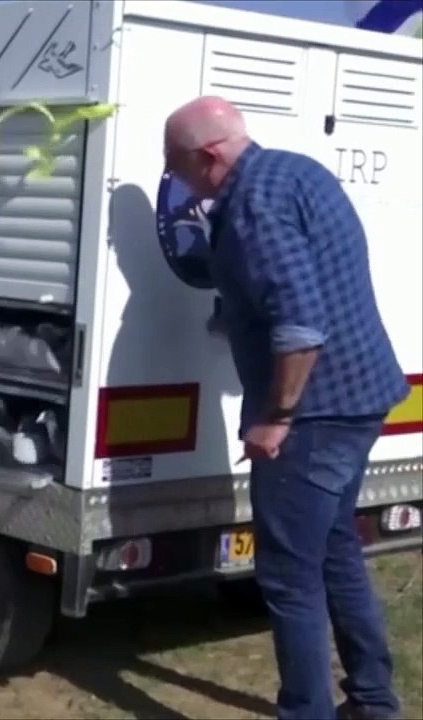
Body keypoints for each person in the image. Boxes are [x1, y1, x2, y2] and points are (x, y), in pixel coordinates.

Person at [162, 95, 408, 720]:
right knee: (335, 548)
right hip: (362, 398)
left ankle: (307, 711)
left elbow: (300, 326)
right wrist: (236, 317)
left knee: (288, 575)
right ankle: (373, 701)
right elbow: (301, 282)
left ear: (209, 156)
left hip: (315, 417)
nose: (182, 185)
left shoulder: (253, 204)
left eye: (181, 170)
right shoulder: (295, 171)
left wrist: (277, 416)